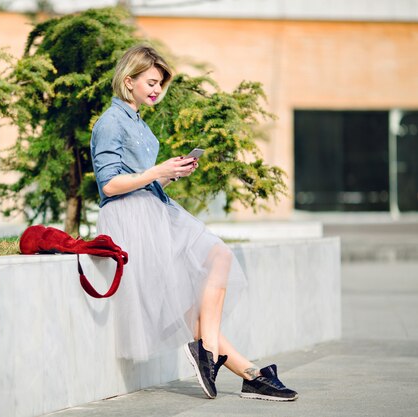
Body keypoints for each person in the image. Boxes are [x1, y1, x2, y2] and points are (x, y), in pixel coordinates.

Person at [90, 45, 298, 402]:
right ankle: (249, 373)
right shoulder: (109, 123)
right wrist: (157, 171)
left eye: (161, 84)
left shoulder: (136, 120)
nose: (157, 89)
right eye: (151, 82)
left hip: (153, 207)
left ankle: (224, 360)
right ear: (129, 81)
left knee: (216, 262)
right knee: (193, 296)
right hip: (131, 219)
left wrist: (169, 175)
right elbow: (108, 184)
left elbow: (138, 177)